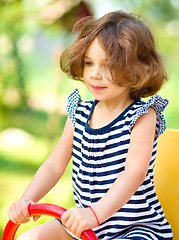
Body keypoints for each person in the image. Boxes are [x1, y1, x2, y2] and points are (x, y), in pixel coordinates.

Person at [8, 10, 173, 240]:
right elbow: (55, 165)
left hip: (134, 230)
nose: (95, 74)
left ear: (135, 69)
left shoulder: (142, 116)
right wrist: (28, 199)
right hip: (86, 226)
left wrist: (95, 214)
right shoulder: (80, 113)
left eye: (107, 66)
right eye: (89, 63)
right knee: (29, 237)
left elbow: (133, 174)